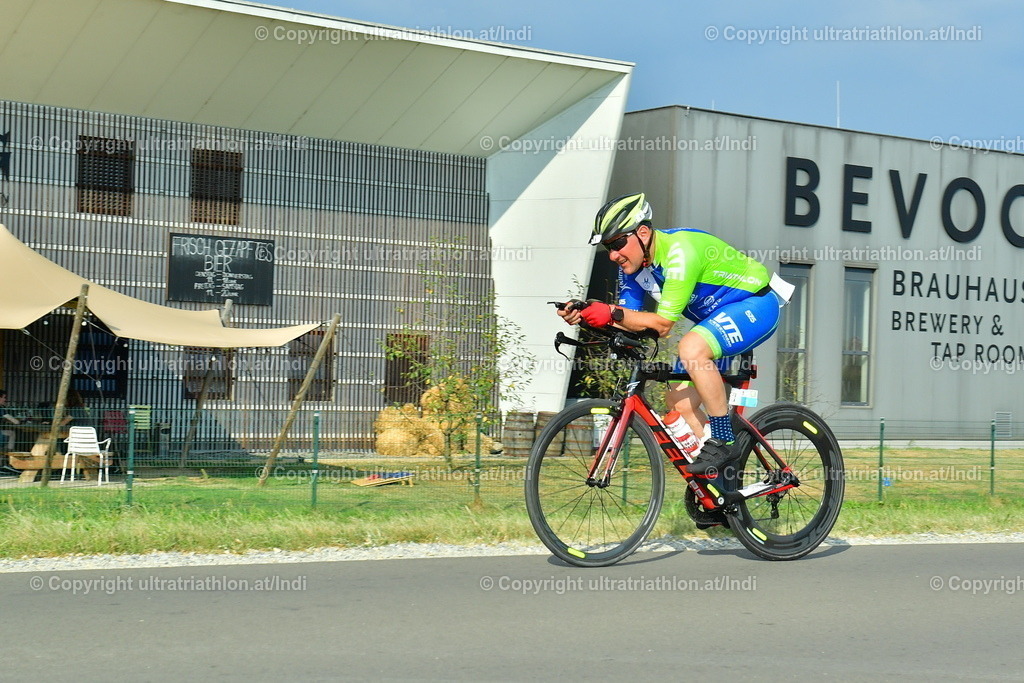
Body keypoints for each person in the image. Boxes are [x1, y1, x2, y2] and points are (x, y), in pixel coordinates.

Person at [558, 192, 793, 477]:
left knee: (691, 347)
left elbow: (662, 324)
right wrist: (586, 315)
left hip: (756, 303)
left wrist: (611, 312)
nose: (613, 254)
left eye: (618, 242)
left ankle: (723, 439)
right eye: (608, 246)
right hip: (714, 319)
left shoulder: (680, 254)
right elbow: (631, 320)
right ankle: (720, 482)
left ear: (643, 233)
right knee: (679, 403)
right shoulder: (633, 269)